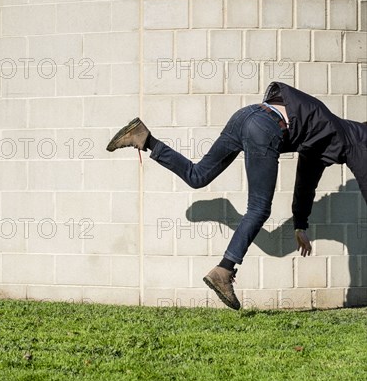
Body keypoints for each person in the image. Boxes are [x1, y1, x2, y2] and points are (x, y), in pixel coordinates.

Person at [107, 82, 367, 310]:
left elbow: (306, 182)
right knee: (259, 208)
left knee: (198, 176)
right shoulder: (352, 141)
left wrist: (300, 223)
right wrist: (300, 221)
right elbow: (336, 178)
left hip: (246, 116)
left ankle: (144, 137)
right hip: (266, 127)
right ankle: (224, 270)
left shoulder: (327, 131)